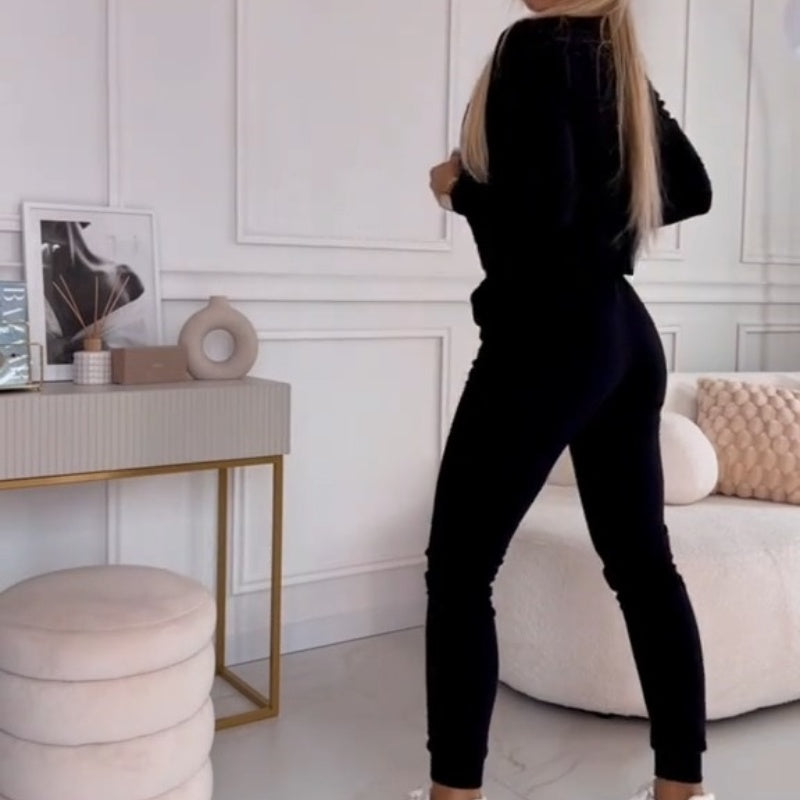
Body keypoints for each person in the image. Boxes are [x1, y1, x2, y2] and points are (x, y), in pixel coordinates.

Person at [418, 1, 714, 800]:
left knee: (459, 573)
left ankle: (453, 795)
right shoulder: (615, 56)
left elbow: (539, 212)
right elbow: (691, 188)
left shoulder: (532, 46)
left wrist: (457, 187)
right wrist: (597, 212)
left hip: (546, 339)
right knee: (644, 569)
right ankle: (682, 789)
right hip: (624, 335)